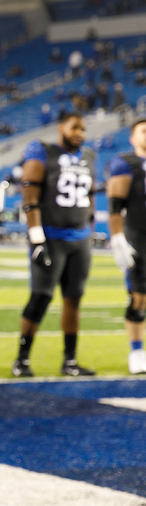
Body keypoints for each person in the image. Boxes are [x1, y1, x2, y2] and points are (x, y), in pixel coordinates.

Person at [13, 112, 96, 377]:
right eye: (74, 127)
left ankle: (69, 361)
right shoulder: (43, 151)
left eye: (83, 129)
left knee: (74, 300)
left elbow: (90, 196)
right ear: (61, 127)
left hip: (79, 239)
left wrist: (90, 227)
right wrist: (37, 239)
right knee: (41, 297)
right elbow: (30, 196)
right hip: (51, 237)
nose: (79, 133)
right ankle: (22, 360)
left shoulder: (89, 157)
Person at [105, 118, 146, 375]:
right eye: (144, 130)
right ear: (132, 137)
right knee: (139, 298)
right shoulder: (127, 163)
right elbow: (115, 204)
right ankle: (136, 350)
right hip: (139, 237)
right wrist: (117, 237)